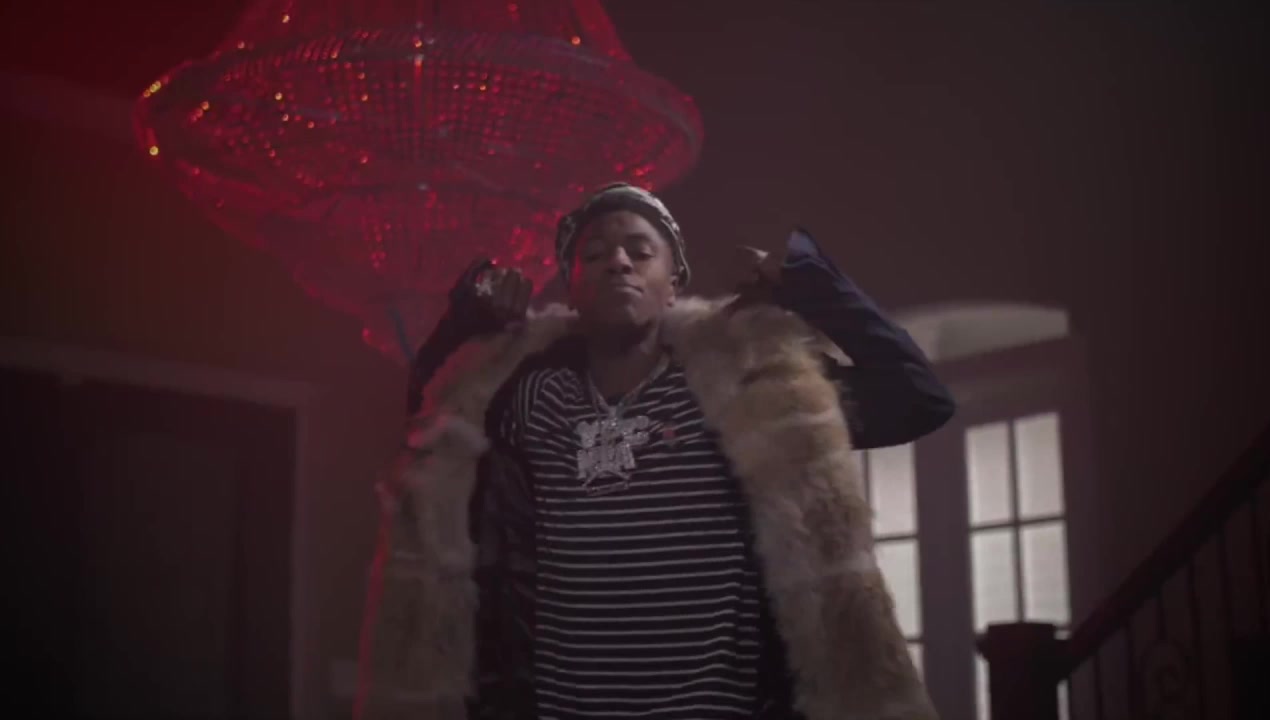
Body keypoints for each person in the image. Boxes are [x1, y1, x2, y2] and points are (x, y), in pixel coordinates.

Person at [357, 183, 954, 720]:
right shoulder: (530, 395)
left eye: (640, 252)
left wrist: (808, 284)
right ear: (571, 289)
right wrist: (469, 320)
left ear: (674, 285)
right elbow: (428, 422)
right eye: (594, 254)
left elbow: (918, 398)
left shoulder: (743, 388)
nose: (618, 261)